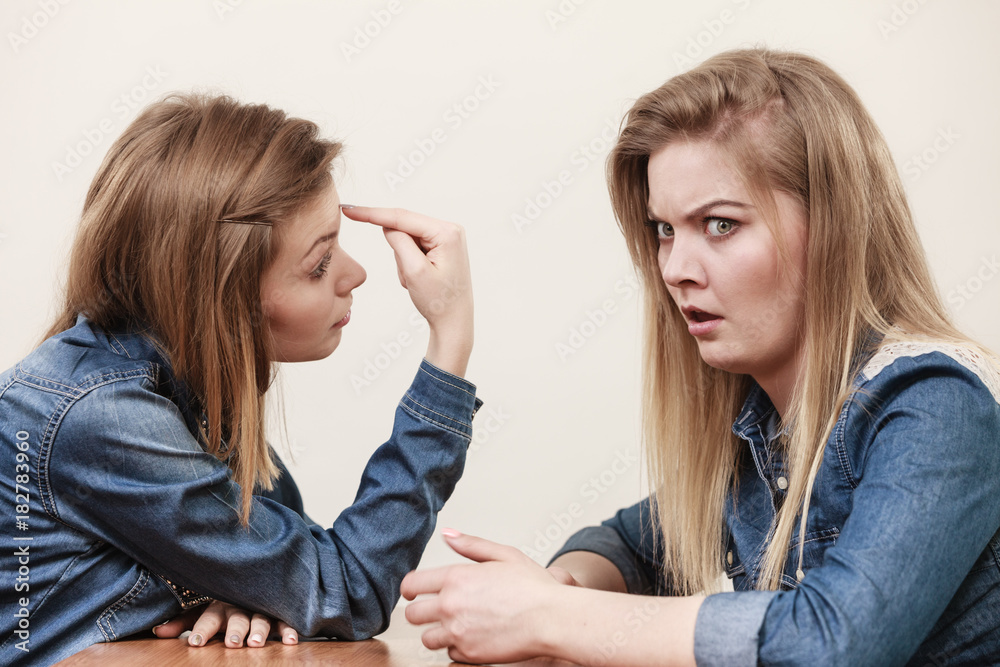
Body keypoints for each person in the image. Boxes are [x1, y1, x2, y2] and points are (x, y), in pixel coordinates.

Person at [398, 48, 1000, 665]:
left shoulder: (939, 406)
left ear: (834, 227)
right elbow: (630, 545)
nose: (676, 271)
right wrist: (555, 590)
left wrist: (555, 618)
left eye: (719, 225)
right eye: (664, 229)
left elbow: (833, 642)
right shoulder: (764, 430)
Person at [0, 93, 480, 665]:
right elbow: (346, 588)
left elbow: (299, 580)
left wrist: (245, 593)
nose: (356, 274)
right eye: (320, 262)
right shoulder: (101, 416)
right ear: (222, 296)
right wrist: (450, 340)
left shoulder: (184, 392)